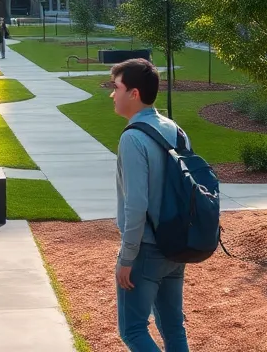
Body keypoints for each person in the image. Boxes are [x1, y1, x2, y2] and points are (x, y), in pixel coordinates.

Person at [110, 58, 189, 352]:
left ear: (134, 93)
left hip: (145, 249)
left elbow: (136, 205)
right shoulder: (175, 130)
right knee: (173, 328)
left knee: (132, 331)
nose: (112, 94)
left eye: (116, 87)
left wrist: (126, 257)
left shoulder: (133, 138)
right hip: (177, 244)